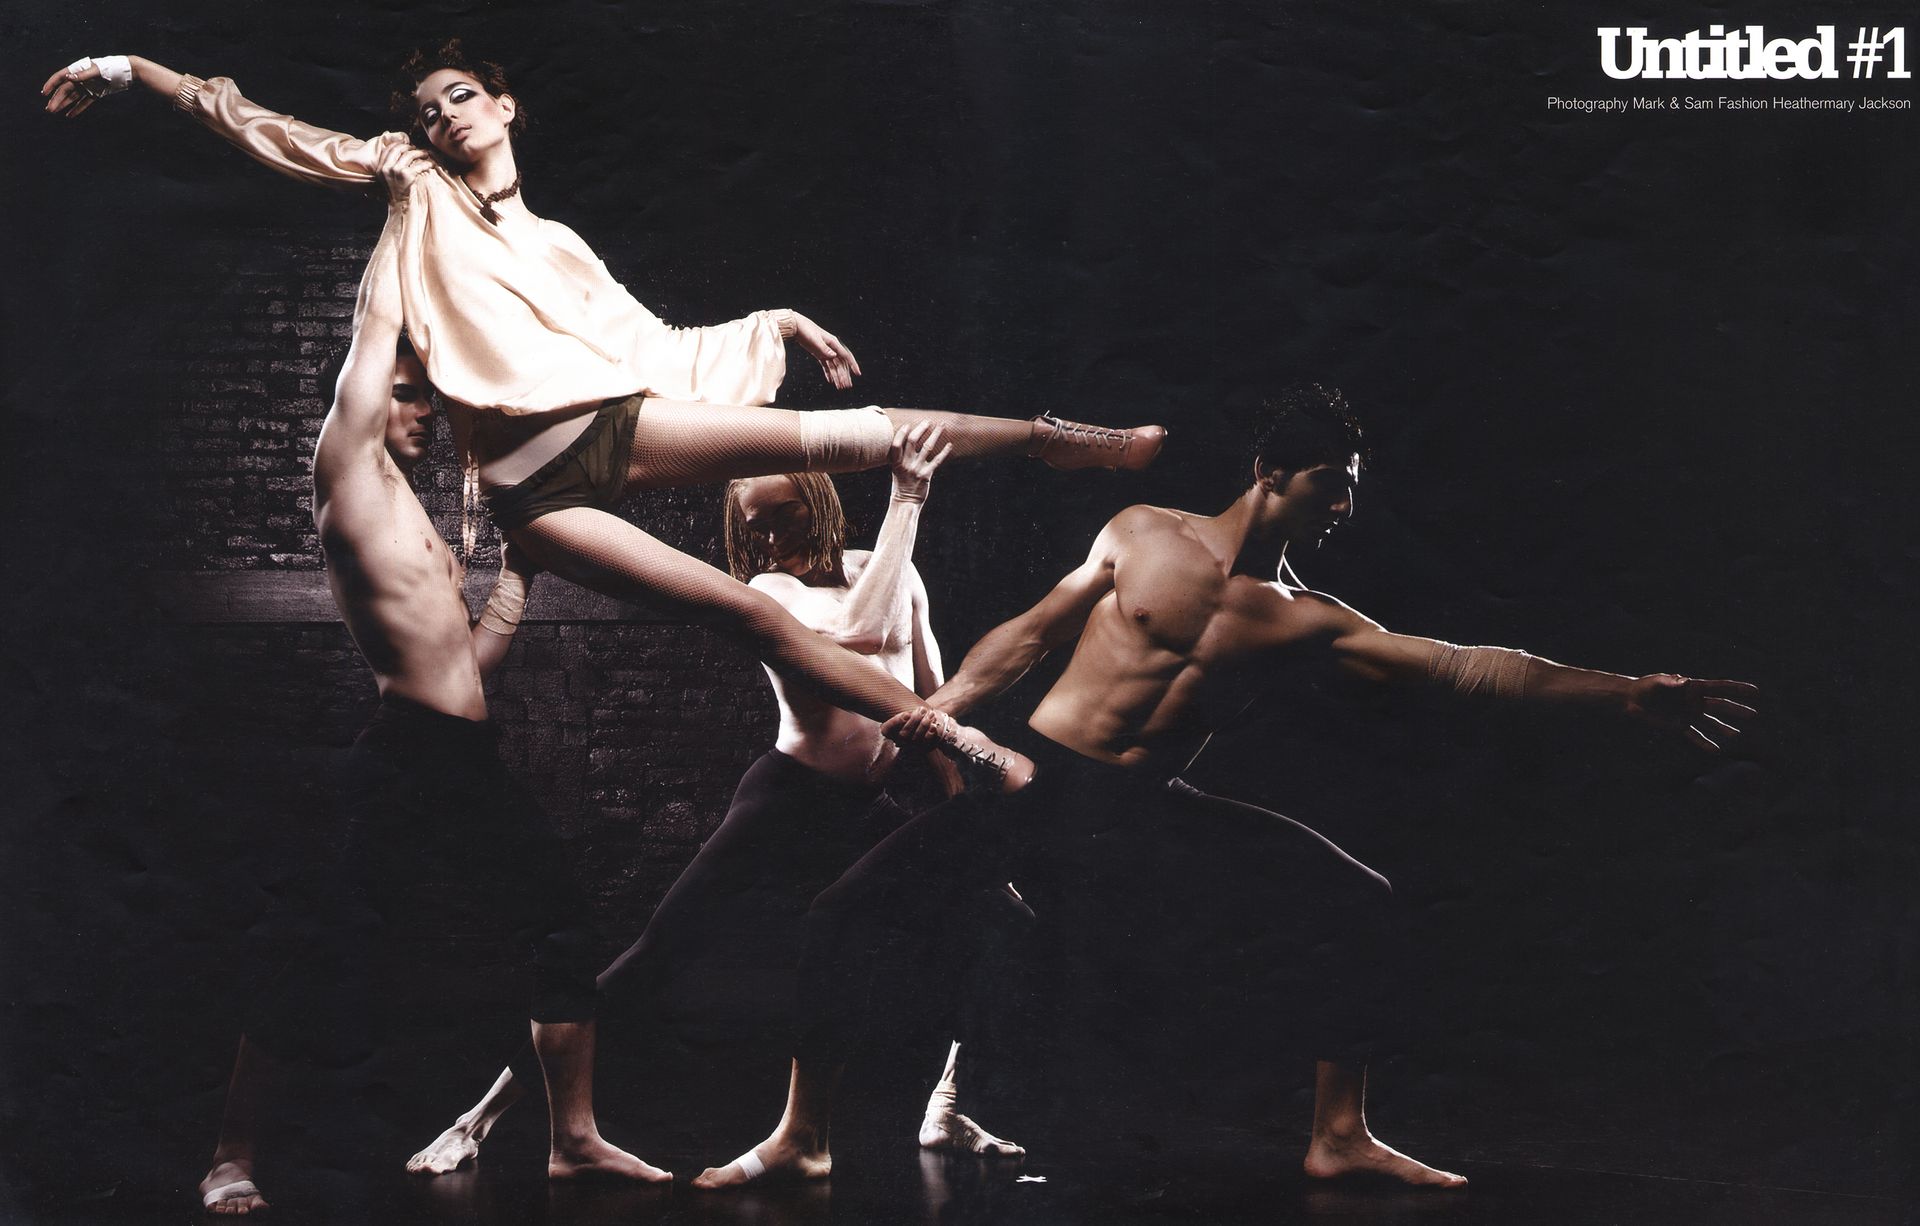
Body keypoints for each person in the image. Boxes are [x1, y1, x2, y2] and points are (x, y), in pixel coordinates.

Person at [694, 384, 1758, 1190]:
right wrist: (955, 703)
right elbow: (1030, 632)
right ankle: (803, 1136)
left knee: (1357, 897)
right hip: (1037, 788)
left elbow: (1464, 664)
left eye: (1351, 485)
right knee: (845, 914)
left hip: (1137, 809)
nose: (1345, 503)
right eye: (1333, 481)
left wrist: (1624, 692)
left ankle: (1339, 1137)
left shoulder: (1307, 617)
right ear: (1272, 473)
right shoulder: (1141, 533)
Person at [41, 45, 1165, 785]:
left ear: (504, 107)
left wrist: (772, 320)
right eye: (427, 111)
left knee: (863, 434)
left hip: (609, 429)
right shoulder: (410, 181)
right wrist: (131, 70)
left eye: (459, 96)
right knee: (755, 618)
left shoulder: (560, 244)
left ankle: (1057, 445)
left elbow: (653, 346)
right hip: (526, 486)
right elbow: (269, 128)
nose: (441, 117)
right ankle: (963, 736)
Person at [406, 427, 1027, 1179]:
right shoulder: (772, 594)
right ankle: (478, 1118)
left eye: (785, 515)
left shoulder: (892, 571)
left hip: (871, 804)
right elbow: (856, 632)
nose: (770, 538)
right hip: (788, 803)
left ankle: (947, 1105)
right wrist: (908, 496)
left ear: (820, 501)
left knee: (988, 915)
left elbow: (933, 702)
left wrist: (966, 832)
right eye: (755, 525)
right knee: (652, 962)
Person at [194, 235, 659, 1216]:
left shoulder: (422, 517)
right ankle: (230, 1155)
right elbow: (375, 328)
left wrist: (517, 577)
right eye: (404, 396)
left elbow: (469, 667)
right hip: (403, 754)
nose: (420, 411)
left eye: (425, 400)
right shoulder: (347, 472)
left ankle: (574, 1142)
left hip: (465, 757)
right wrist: (412, 217)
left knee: (562, 922)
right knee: (314, 944)